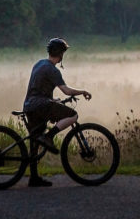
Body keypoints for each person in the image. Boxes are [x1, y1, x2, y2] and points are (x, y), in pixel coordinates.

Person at [23, 37, 92, 187]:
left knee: (35, 142)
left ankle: (33, 178)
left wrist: (54, 102)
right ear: (60, 54)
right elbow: (66, 90)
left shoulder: (39, 64)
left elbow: (40, 89)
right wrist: (82, 91)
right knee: (73, 115)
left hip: (30, 106)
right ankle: (49, 136)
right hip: (41, 106)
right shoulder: (53, 70)